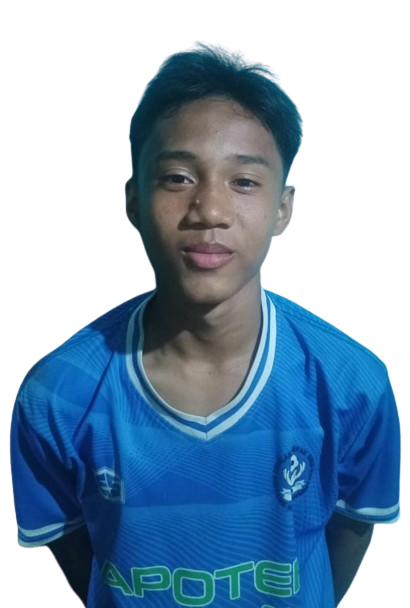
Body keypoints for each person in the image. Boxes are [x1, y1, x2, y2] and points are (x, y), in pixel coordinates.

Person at [10, 40, 401, 607]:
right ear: (133, 201)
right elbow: (77, 555)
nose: (210, 211)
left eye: (243, 181)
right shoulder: (57, 396)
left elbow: (353, 530)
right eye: (177, 177)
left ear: (284, 208)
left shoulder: (352, 384)